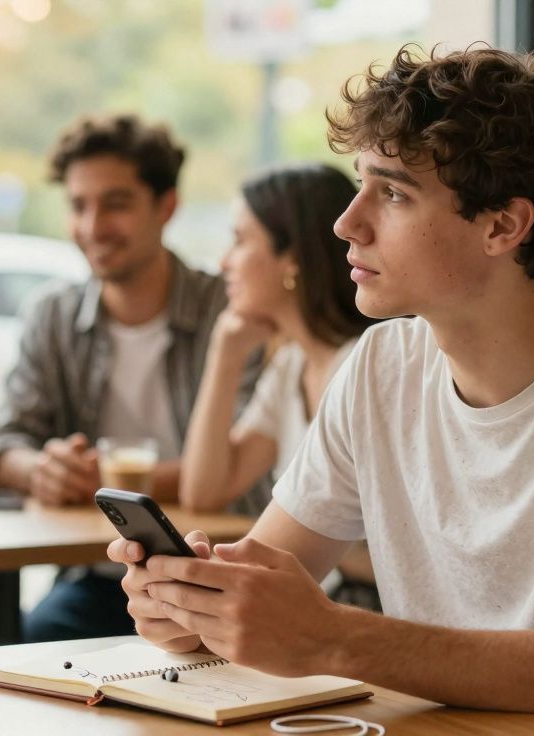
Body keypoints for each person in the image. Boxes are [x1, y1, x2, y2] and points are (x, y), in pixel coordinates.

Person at [110, 45, 534, 735]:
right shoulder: (381, 366)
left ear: (503, 224)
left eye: (393, 192)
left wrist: (333, 637)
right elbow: (268, 579)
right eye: (360, 185)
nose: (347, 223)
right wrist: (196, 604)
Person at [0, 113, 260, 642]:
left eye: (116, 203)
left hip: (218, 570)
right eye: (78, 205)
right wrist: (43, 468)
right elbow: (1, 444)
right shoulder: (53, 315)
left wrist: (110, 488)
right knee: (25, 650)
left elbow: (244, 462)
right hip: (105, 575)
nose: (92, 227)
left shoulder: (228, 310)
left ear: (166, 206)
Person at [178, 164, 381, 608]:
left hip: (361, 614)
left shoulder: (366, 365)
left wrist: (319, 545)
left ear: (292, 257)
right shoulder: (291, 364)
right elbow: (206, 490)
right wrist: (224, 358)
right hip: (318, 602)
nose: (223, 262)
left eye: (239, 240)